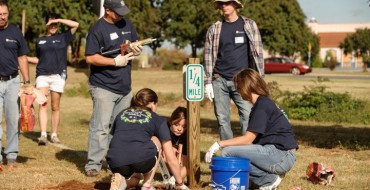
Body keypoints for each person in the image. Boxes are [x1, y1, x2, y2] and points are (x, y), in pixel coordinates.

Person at [205, 68, 299, 190]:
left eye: (238, 87)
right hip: (281, 155)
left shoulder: (261, 106)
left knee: (227, 152)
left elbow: (248, 139)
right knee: (235, 153)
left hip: (281, 155)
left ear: (245, 86)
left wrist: (219, 144)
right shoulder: (262, 104)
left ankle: (268, 180)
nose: (238, 92)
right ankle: (265, 179)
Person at [84, 0, 143, 177]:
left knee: (119, 128)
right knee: (100, 127)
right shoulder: (97, 29)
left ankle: (114, 162)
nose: (121, 15)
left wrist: (136, 48)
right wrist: (114, 62)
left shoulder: (127, 24)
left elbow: (134, 42)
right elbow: (90, 58)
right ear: (107, 10)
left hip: (125, 87)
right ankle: (93, 165)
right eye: (117, 12)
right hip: (103, 86)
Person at [203, 0, 264, 141]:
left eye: (227, 2)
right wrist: (208, 82)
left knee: (248, 116)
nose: (224, 6)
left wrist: (259, 79)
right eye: (221, 3)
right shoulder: (214, 28)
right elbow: (207, 57)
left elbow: (258, 54)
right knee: (222, 119)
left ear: (235, 4)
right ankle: (227, 152)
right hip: (219, 80)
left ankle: (247, 150)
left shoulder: (249, 25)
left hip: (242, 81)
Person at [107, 88, 188, 190]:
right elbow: (171, 159)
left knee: (136, 178)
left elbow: (116, 138)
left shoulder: (121, 114)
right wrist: (179, 183)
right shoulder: (158, 119)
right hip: (141, 162)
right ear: (152, 103)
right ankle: (147, 185)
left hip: (115, 163)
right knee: (156, 139)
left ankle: (121, 183)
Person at [27, 12, 79, 145]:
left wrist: (59, 19)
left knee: (55, 106)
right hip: (42, 75)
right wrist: (24, 58)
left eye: (55, 23)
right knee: (42, 104)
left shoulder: (64, 37)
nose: (53, 26)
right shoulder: (40, 41)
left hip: (58, 76)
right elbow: (38, 59)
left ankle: (54, 134)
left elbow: (75, 25)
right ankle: (43, 135)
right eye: (50, 23)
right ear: (45, 25)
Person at [0, 0, 32, 170]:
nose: (2, 17)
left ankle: (11, 155)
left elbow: (22, 58)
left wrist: (26, 82)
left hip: (13, 82)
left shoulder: (15, 32)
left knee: (13, 120)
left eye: (5, 14)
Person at [163, 106, 188, 180]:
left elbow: (186, 162)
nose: (180, 129)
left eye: (184, 126)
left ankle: (174, 180)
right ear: (171, 122)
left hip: (177, 156)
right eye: (176, 125)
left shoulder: (186, 135)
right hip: (163, 154)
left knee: (190, 165)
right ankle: (173, 176)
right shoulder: (164, 128)